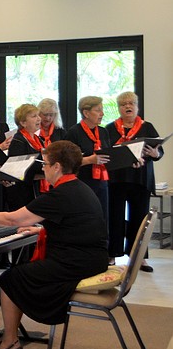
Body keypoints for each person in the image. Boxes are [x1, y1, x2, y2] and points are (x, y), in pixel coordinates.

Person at [0, 140, 109, 349]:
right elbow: (73, 224)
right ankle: (10, 335)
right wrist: (41, 229)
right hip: (90, 258)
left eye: (45, 164)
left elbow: (13, 219)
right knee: (19, 273)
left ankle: (10, 341)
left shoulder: (60, 194)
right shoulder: (79, 188)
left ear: (57, 167)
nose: (43, 168)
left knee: (10, 278)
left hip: (77, 263)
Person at [106, 92, 162, 271]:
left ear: (137, 106)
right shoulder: (110, 128)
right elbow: (106, 153)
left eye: (131, 103)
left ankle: (139, 258)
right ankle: (112, 255)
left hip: (140, 180)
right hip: (117, 180)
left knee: (140, 219)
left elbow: (159, 151)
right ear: (119, 108)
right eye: (123, 104)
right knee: (114, 218)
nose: (128, 106)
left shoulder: (147, 127)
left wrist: (155, 153)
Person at [65, 96, 112, 255]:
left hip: (101, 182)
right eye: (98, 110)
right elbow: (68, 162)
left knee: (102, 218)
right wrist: (90, 160)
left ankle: (101, 252)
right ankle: (82, 253)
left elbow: (108, 155)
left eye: (102, 110)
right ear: (86, 113)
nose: (102, 114)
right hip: (82, 183)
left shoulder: (103, 131)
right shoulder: (74, 132)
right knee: (84, 219)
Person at [5, 103, 46, 212]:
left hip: (36, 187)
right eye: (34, 116)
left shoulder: (39, 139)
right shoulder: (18, 141)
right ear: (23, 123)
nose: (39, 119)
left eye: (38, 115)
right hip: (22, 192)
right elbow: (18, 167)